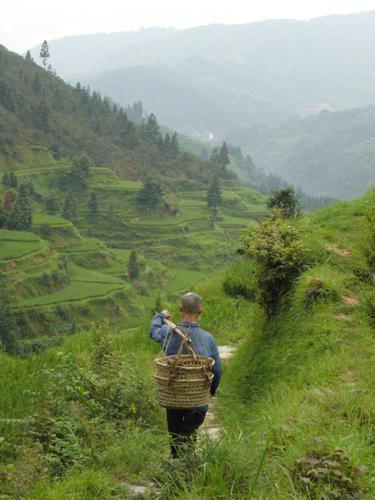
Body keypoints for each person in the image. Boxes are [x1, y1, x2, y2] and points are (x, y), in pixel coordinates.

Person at [150, 292, 222, 459]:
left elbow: (153, 331)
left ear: (180, 308)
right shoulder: (208, 339)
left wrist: (161, 316)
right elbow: (217, 371)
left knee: (176, 437)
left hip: (173, 395)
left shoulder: (169, 333)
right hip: (197, 399)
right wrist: (210, 392)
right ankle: (187, 464)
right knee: (189, 434)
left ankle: (176, 463)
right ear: (200, 311)